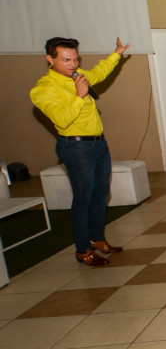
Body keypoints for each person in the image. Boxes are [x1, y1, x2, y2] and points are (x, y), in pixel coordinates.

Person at [30, 37, 130, 266]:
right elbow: (61, 119)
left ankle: (97, 239)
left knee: (101, 192)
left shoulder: (79, 75)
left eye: (75, 59)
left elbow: (98, 72)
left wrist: (117, 54)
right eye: (66, 60)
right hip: (76, 147)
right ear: (50, 59)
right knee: (83, 198)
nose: (73, 64)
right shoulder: (43, 88)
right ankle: (82, 250)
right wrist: (79, 95)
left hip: (98, 145)